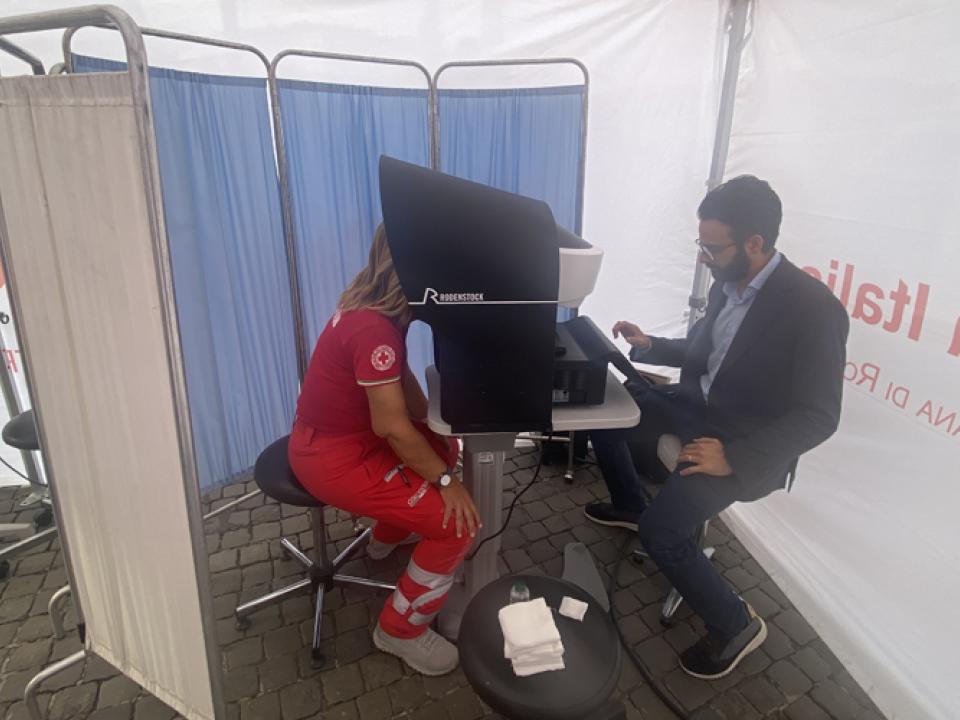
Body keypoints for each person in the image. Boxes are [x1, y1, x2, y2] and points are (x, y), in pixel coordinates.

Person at [587, 176, 849, 679]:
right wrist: (651, 345)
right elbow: (707, 352)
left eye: (712, 247)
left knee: (663, 532)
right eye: (701, 244)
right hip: (693, 406)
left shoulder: (814, 309)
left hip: (740, 441)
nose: (703, 256)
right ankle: (629, 504)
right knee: (604, 414)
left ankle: (736, 626)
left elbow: (819, 415)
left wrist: (733, 457)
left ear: (754, 243)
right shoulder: (727, 285)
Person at [289, 225, 480, 676]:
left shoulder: (371, 306)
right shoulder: (374, 331)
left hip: (339, 439)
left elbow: (399, 381)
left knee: (442, 444)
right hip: (332, 458)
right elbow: (391, 428)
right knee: (456, 526)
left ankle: (385, 539)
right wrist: (447, 483)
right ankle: (399, 630)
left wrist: (433, 424)